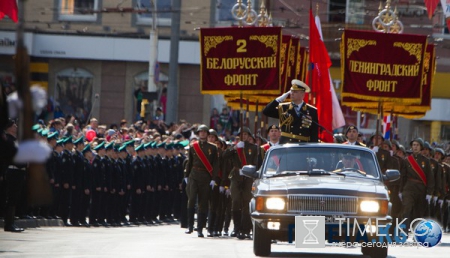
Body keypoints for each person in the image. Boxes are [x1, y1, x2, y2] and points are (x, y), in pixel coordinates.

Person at [184, 125, 219, 237]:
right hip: (194, 174)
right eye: (201, 132)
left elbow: (216, 164)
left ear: (207, 134)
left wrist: (213, 179)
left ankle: (200, 228)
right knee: (192, 198)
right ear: (198, 134)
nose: (202, 134)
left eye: (204, 132)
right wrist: (186, 175)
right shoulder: (193, 146)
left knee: (203, 203)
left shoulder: (213, 148)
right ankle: (190, 226)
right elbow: (189, 162)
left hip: (205, 176)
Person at [401, 138, 434, 229]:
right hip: (409, 187)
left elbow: (430, 178)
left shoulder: (426, 161)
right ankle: (404, 231)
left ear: (421, 147)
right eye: (414, 145)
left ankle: (417, 232)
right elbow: (403, 176)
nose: (415, 147)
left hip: (421, 188)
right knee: (407, 208)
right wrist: (401, 190)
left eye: (417, 145)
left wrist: (429, 193)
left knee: (419, 212)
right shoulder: (407, 160)